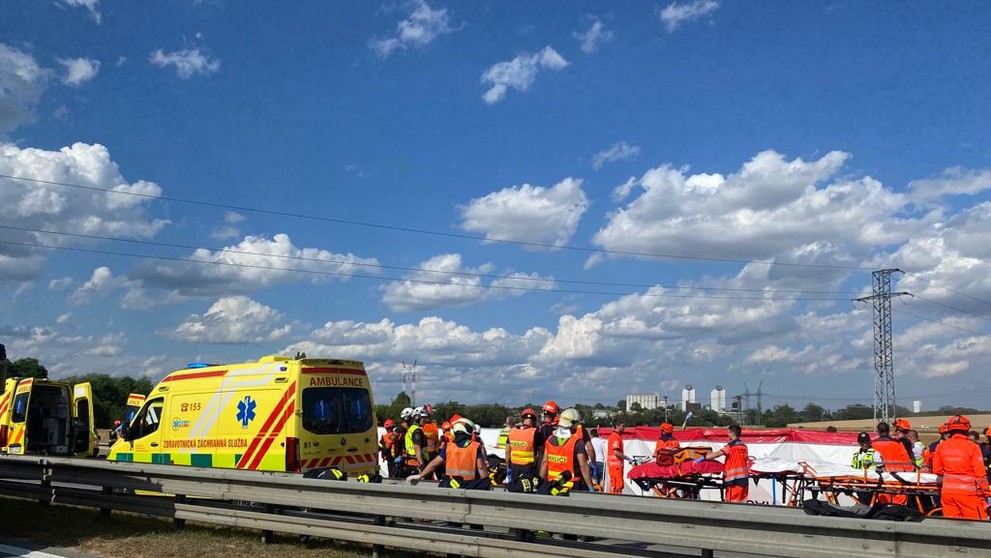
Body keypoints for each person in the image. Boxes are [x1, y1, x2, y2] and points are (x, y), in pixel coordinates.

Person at [932, 415, 989, 520]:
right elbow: (980, 474)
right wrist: (986, 493)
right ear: (967, 429)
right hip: (968, 495)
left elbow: (937, 470)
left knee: (953, 527)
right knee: (977, 527)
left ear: (949, 429)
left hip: (948, 493)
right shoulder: (973, 447)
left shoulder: (941, 446)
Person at [410, 419, 490, 490]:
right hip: (469, 486)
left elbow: (434, 463)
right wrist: (486, 483)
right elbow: (481, 467)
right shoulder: (475, 447)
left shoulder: (449, 447)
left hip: (451, 485)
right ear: (468, 431)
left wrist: (420, 475)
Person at [539, 408, 594, 493]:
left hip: (552, 485)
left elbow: (544, 463)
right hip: (572, 487)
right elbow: (583, 466)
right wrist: (590, 487)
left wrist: (540, 483)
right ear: (574, 424)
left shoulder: (550, 440)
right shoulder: (577, 442)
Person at [695, 424, 749, 503]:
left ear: (733, 434)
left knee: (732, 504)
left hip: (733, 480)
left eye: (729, 433)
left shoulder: (731, 447)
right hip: (743, 480)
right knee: (742, 503)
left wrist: (703, 457)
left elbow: (717, 454)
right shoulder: (744, 447)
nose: (728, 434)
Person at [871, 421, 914, 505]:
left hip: (880, 479)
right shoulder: (897, 444)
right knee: (899, 504)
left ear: (878, 431)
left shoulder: (872, 445)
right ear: (888, 431)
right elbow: (908, 464)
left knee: (884, 502)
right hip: (897, 478)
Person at [507, 408, 544, 492]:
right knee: (527, 491)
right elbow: (542, 452)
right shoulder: (535, 433)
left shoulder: (512, 431)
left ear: (522, 419)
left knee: (513, 490)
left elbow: (507, 452)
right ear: (534, 421)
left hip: (514, 467)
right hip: (529, 469)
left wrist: (508, 468)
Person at [607, 420, 634, 495]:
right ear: (617, 426)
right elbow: (616, 452)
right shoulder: (615, 437)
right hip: (616, 467)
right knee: (617, 486)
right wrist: (627, 458)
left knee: (616, 486)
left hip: (615, 467)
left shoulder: (615, 436)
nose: (624, 428)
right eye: (623, 426)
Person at [403, 407, 429, 476]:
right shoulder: (417, 430)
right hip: (416, 463)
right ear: (417, 417)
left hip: (410, 461)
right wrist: (422, 464)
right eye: (424, 418)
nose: (425, 420)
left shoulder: (411, 428)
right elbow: (417, 447)